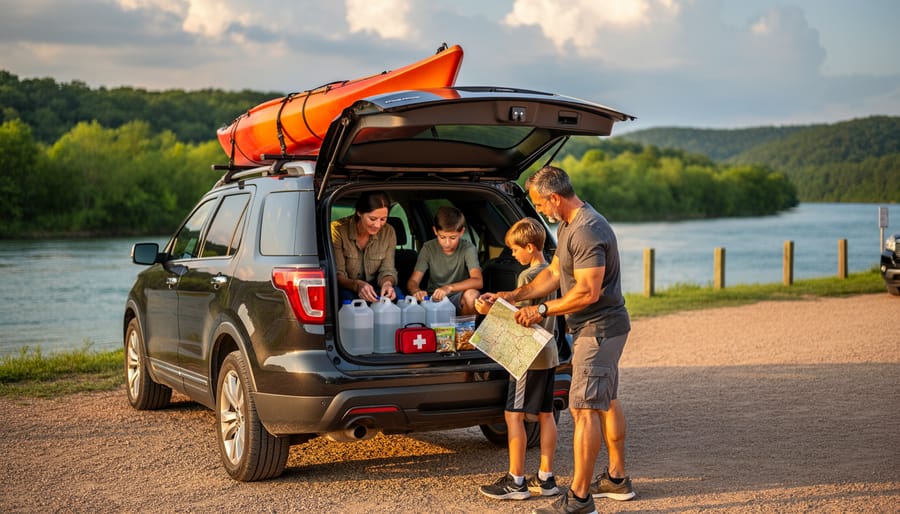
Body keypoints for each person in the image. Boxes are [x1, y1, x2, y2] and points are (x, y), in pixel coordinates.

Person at [480, 166, 635, 514]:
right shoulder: (567, 226)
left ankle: (580, 499)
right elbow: (552, 273)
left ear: (554, 197)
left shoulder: (587, 230)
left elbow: (588, 291)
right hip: (597, 328)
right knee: (606, 400)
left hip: (599, 329)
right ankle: (616, 478)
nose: (540, 210)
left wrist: (542, 311)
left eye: (539, 203)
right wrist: (515, 296)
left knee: (583, 409)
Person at [476, 218, 561, 501]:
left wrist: (488, 309)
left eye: (514, 250)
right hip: (549, 352)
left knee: (513, 416)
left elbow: (521, 320)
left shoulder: (528, 277)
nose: (512, 255)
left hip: (528, 356)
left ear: (529, 247)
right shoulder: (554, 271)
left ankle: (516, 480)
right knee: (546, 414)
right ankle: (546, 479)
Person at [407, 205, 482, 315]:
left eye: (452, 238)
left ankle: (464, 331)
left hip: (457, 297)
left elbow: (478, 281)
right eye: (442, 237)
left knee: (472, 295)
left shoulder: (468, 248)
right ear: (435, 231)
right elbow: (413, 281)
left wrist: (449, 288)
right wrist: (416, 291)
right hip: (434, 299)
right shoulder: (428, 248)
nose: (447, 243)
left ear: (461, 232)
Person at [331, 191, 401, 303]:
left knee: (396, 294)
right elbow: (337, 275)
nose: (378, 225)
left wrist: (387, 284)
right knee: (345, 297)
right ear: (359, 212)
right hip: (348, 287)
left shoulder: (389, 232)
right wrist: (356, 285)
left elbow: (388, 269)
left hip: (377, 287)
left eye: (383, 219)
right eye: (372, 219)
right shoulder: (338, 231)